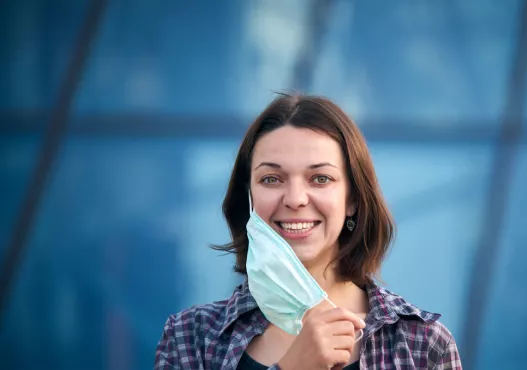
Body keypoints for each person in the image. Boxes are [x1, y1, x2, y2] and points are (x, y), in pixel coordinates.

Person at [154, 93, 462, 369]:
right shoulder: (190, 338)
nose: (295, 199)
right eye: (272, 179)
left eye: (320, 179)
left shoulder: (421, 345)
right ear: (248, 197)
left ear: (352, 199)